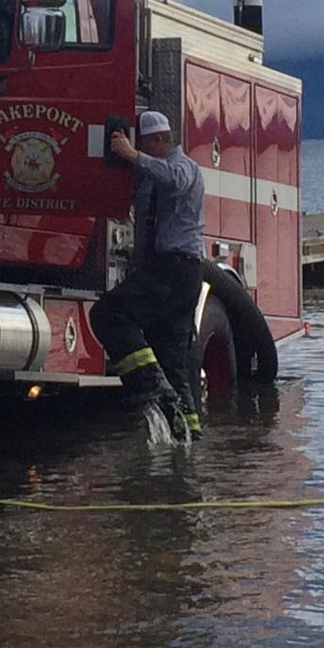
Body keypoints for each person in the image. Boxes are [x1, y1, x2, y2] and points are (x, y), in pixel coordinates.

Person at [96, 110, 207, 439]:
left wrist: (133, 156)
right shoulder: (150, 177)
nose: (140, 153)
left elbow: (174, 179)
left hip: (177, 268)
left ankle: (149, 385)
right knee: (173, 358)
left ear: (161, 140)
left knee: (108, 313)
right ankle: (188, 437)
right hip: (170, 269)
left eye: (144, 145)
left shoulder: (183, 167)